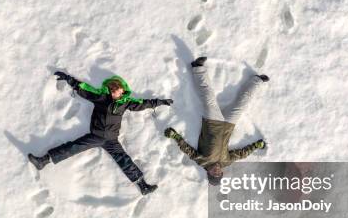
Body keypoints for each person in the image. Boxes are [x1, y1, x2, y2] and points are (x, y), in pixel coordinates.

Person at [28, 72, 172, 195]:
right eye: (113, 90)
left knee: (124, 160)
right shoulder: (101, 98)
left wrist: (160, 102)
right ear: (110, 91)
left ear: (123, 89)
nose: (116, 92)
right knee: (72, 147)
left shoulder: (126, 102)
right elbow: (85, 89)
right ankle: (44, 160)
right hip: (95, 136)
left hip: (112, 140)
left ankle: (143, 186)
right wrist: (70, 80)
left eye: (118, 90)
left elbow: (143, 103)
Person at [164, 57, 267, 185]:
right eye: (219, 173)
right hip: (229, 125)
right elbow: (241, 154)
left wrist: (175, 136)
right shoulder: (225, 161)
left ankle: (198, 68)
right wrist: (255, 146)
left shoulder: (203, 161)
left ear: (209, 173)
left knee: (209, 98)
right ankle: (257, 80)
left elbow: (187, 150)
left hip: (212, 122)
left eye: (214, 174)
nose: (217, 171)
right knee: (241, 104)